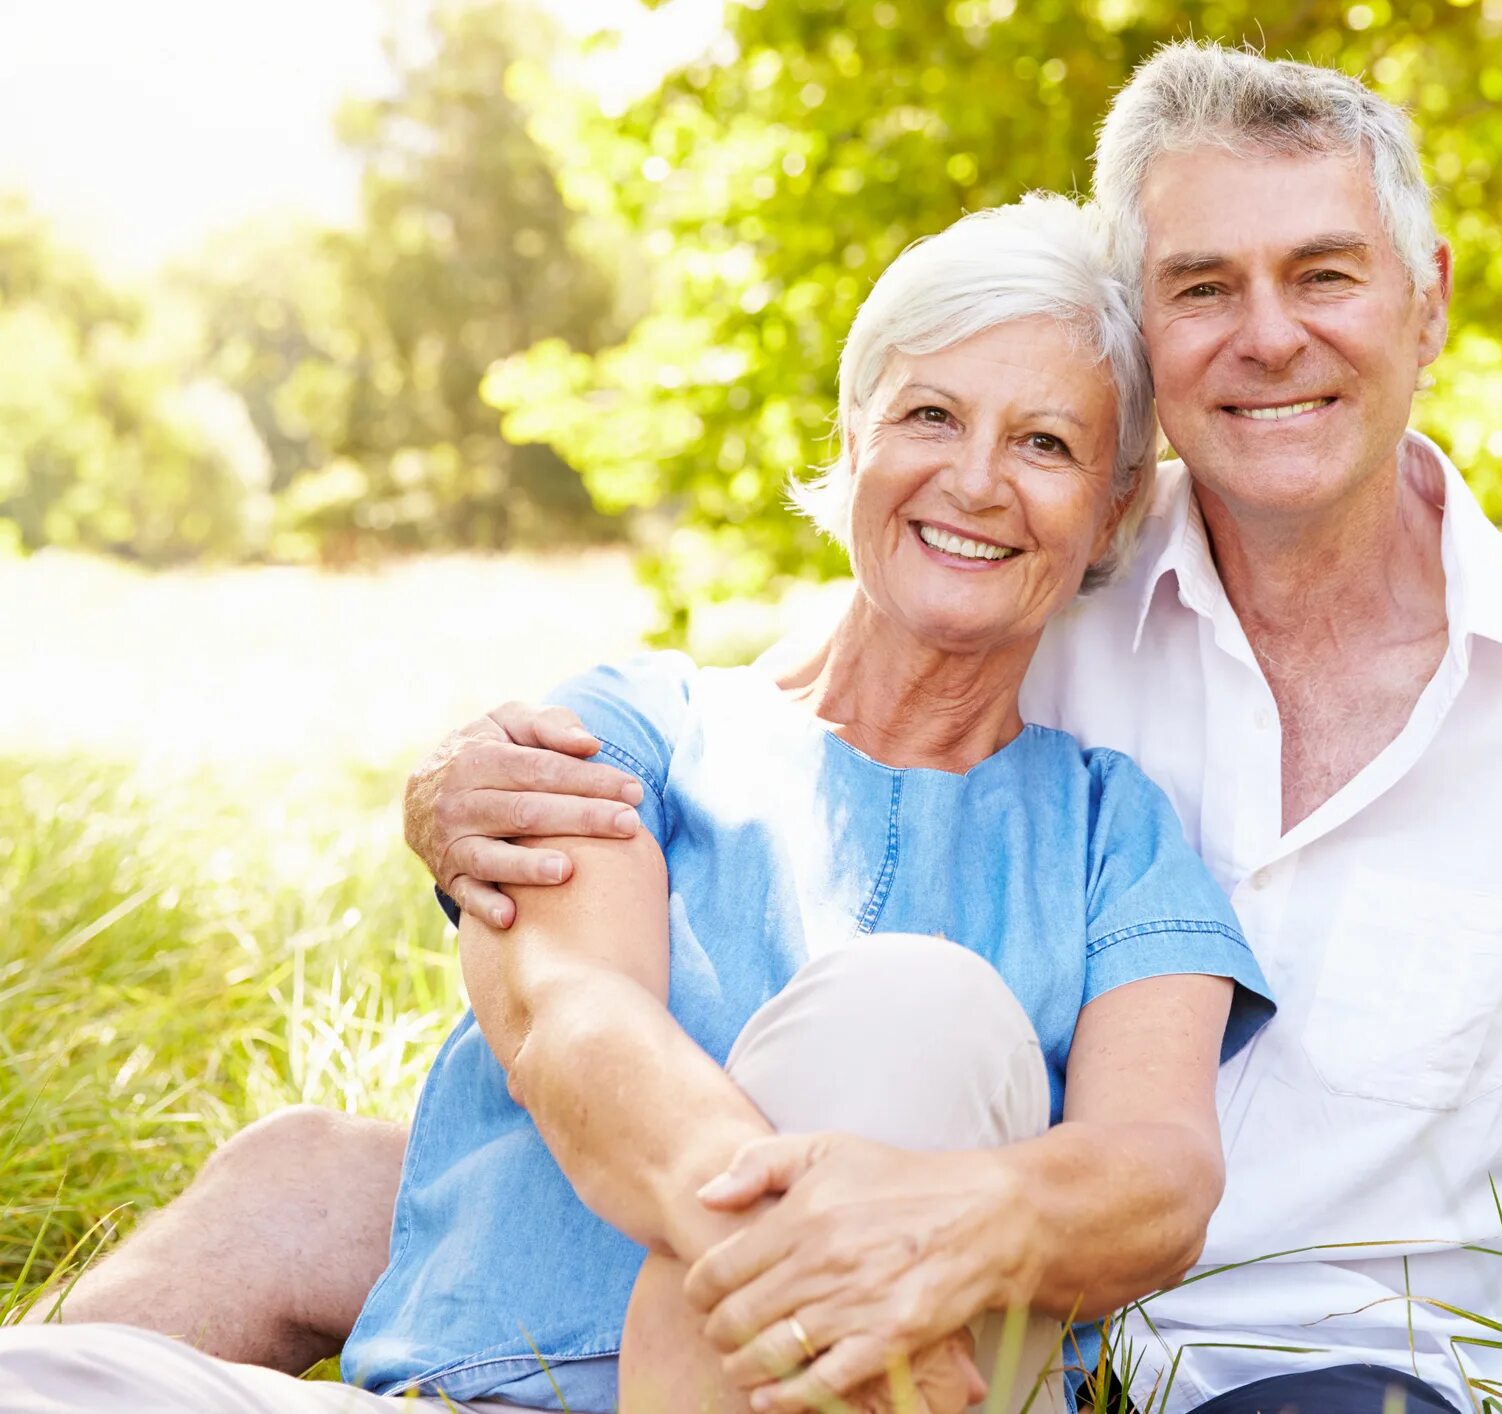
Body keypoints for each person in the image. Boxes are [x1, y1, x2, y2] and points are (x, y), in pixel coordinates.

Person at [10, 42, 1502, 1414]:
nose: (1265, 335)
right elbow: (756, 767)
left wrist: (948, 1238)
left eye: (1323, 274)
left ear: (1426, 301)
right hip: (844, 1352)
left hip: (1268, 1374)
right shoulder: (762, 693)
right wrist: (465, 782)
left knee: (913, 1010)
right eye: (1203, 286)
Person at [0, 194, 1273, 1414]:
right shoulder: (631, 733)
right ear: (854, 440)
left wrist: (935, 1257)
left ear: (1114, 505)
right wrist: (801, 1257)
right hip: (476, 1393)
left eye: (1046, 444)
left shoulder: (1113, 830)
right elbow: (573, 1015)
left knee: (914, 1013)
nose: (979, 479)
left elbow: (1155, 1173)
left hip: (893, 1397)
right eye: (931, 415)